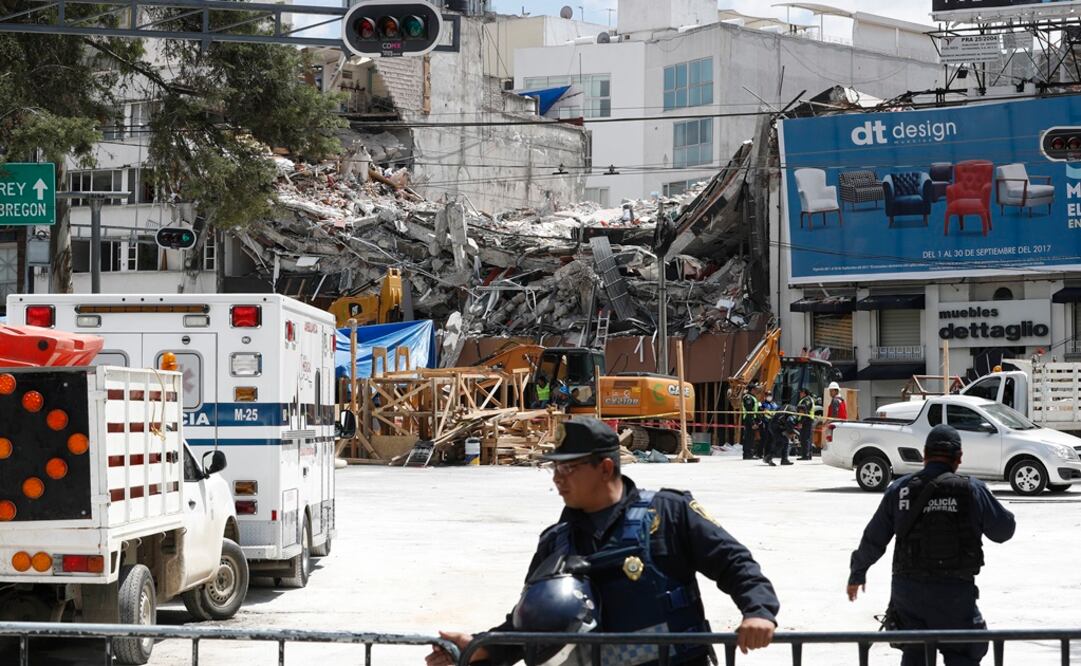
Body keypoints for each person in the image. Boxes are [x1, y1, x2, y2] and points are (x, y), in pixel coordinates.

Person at [427, 417, 780, 666]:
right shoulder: (556, 542)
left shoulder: (669, 513)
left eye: (569, 469)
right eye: (554, 469)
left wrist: (758, 611)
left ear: (606, 468)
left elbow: (734, 562)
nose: (558, 480)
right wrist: (478, 646)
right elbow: (536, 623)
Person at [846, 424, 1016, 666]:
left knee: (915, 654)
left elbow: (874, 537)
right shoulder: (971, 489)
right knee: (963, 654)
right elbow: (1004, 531)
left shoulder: (900, 489)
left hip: (909, 594)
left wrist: (857, 573)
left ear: (924, 455)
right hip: (955, 594)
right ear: (959, 458)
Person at [740, 383, 761, 460]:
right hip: (749, 420)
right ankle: (747, 455)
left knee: (751, 437)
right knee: (748, 437)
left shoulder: (752, 397)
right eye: (755, 389)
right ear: (752, 389)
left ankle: (750, 454)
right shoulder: (748, 397)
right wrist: (752, 423)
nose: (756, 391)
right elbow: (749, 411)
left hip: (752, 419)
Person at [796, 388, 815, 460]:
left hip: (806, 421)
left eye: (800, 392)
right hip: (808, 420)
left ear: (804, 393)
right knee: (808, 438)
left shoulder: (806, 400)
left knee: (805, 438)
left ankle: (805, 455)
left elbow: (803, 411)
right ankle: (808, 455)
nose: (800, 394)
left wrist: (800, 422)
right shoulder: (808, 399)